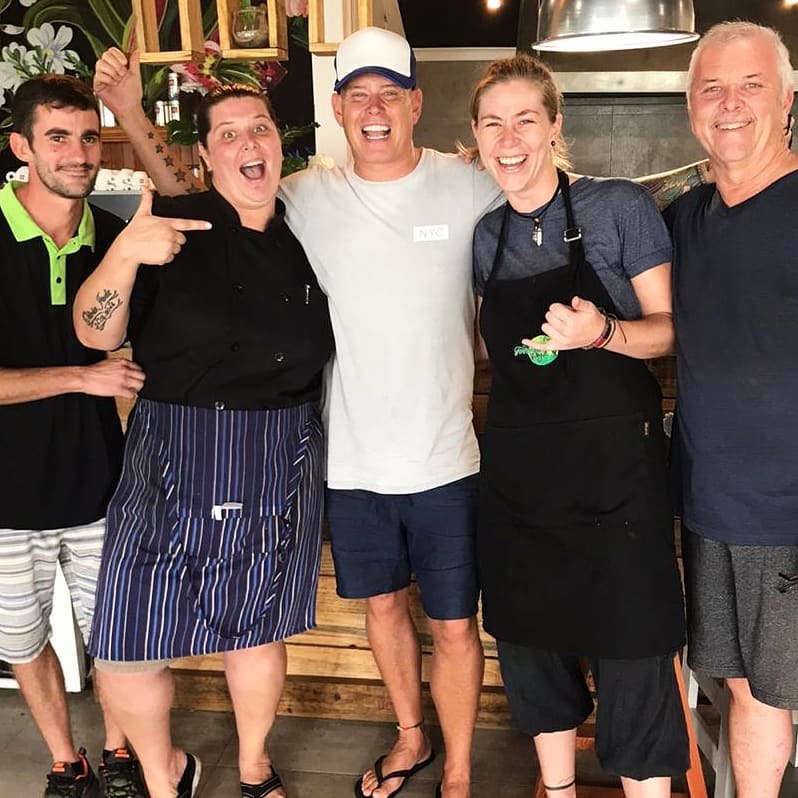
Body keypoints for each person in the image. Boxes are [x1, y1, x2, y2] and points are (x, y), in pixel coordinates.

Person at [90, 33, 708, 798]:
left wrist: (607, 312)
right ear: (338, 107)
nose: (374, 108)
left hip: (454, 460)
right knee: (385, 612)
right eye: (359, 95)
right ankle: (414, 738)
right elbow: (205, 196)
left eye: (390, 92)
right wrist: (129, 114)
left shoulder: (474, 186)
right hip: (349, 462)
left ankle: (459, 771)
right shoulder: (302, 193)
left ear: (417, 103)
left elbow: (555, 201)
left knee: (457, 625)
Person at [72, 83, 334, 798]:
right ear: (207, 157)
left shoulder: (308, 235)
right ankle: (165, 776)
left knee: (256, 631)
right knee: (125, 644)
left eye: (261, 128)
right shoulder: (173, 224)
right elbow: (95, 333)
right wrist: (125, 252)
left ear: (280, 143)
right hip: (170, 450)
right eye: (229, 134)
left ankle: (253, 765)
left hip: (276, 452)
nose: (250, 143)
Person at [470, 55, 688, 797]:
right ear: (476, 135)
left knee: (634, 641)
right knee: (530, 639)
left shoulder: (617, 206)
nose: (509, 139)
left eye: (525, 120)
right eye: (493, 123)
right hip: (522, 479)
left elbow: (668, 331)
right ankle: (558, 790)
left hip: (615, 474)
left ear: (555, 126)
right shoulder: (486, 236)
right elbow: (492, 348)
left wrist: (602, 334)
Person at [0, 75, 147, 798]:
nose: (79, 153)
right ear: (21, 147)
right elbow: (95, 372)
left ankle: (119, 757)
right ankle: (67, 761)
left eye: (89, 136)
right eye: (57, 137)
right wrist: (82, 377)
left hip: (102, 488)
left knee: (116, 639)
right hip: (6, 499)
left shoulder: (115, 242)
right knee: (24, 642)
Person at [665, 21, 798, 798]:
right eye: (711, 87)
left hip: (786, 511)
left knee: (777, 689)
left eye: (751, 85)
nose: (729, 103)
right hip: (712, 504)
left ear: (788, 99)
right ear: (690, 107)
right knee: (749, 688)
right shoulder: (686, 219)